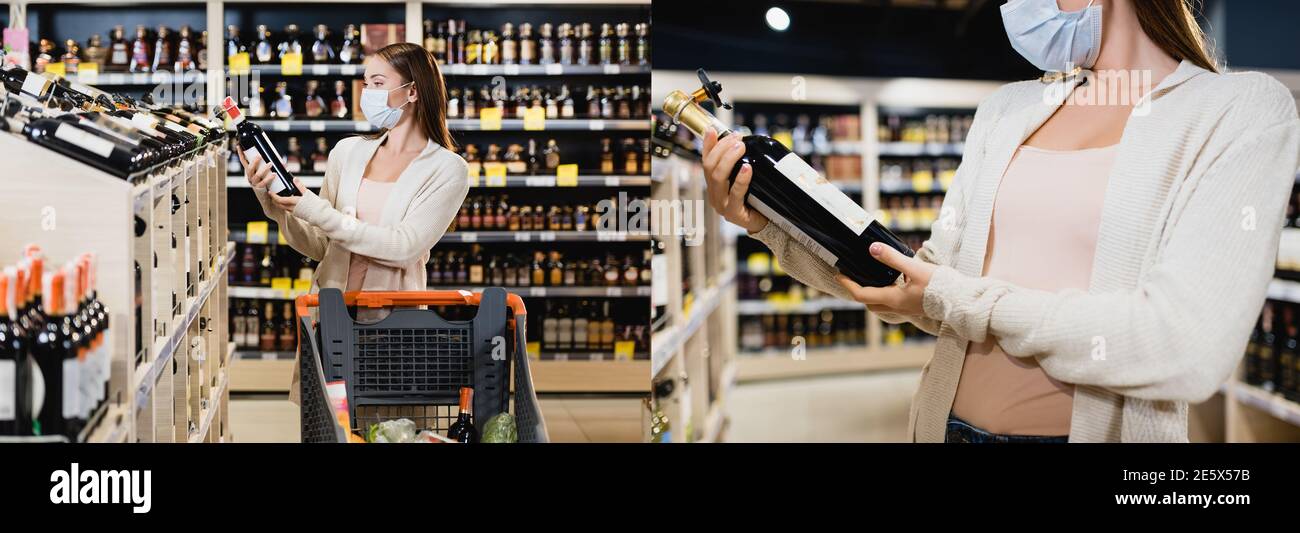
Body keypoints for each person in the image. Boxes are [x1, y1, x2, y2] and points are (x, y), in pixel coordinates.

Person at [701, 0, 1300, 442]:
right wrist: (773, 219)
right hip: (943, 428)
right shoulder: (1006, 111)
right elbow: (923, 280)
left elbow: (1183, 345)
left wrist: (958, 300)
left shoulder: (1238, 110)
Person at [240, 42, 468, 401]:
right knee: (325, 425)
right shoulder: (347, 152)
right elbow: (319, 244)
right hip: (328, 316)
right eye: (366, 83)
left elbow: (403, 246)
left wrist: (315, 209)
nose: (367, 93)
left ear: (412, 91)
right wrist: (275, 201)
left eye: (378, 83)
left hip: (393, 325)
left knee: (387, 427)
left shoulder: (447, 169)